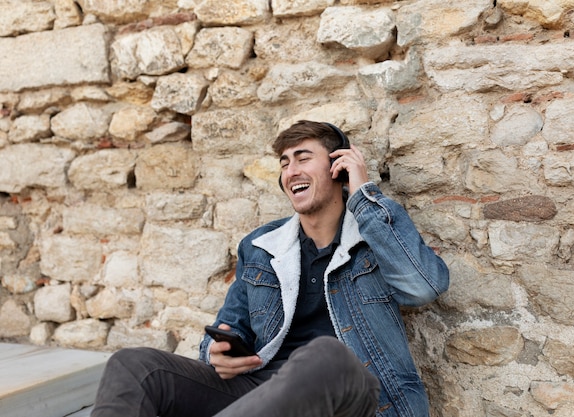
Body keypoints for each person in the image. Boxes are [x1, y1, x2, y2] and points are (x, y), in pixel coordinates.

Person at [91, 120, 449, 417]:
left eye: (303, 158)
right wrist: (216, 354)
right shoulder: (262, 248)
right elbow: (227, 328)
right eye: (284, 163)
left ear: (338, 166)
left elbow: (422, 287)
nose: (291, 171)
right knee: (134, 367)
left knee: (324, 355)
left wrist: (363, 195)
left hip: (355, 399)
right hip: (263, 394)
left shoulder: (374, 237)